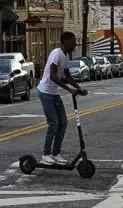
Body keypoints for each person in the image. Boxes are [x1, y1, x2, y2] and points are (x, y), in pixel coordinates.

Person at [36, 31, 85, 165]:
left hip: (53, 93)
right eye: (73, 41)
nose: (75, 43)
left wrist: (79, 89)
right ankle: (46, 154)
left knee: (63, 122)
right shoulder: (56, 54)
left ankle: (56, 154)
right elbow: (53, 76)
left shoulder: (66, 56)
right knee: (54, 123)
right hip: (45, 92)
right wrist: (70, 90)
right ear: (65, 41)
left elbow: (67, 76)